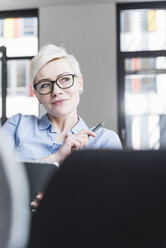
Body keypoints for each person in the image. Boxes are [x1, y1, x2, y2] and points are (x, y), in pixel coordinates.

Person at [1, 43, 122, 166]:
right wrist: (56, 158)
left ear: (79, 83)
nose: (56, 91)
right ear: (37, 95)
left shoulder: (104, 140)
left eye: (65, 79)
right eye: (45, 85)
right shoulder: (18, 126)